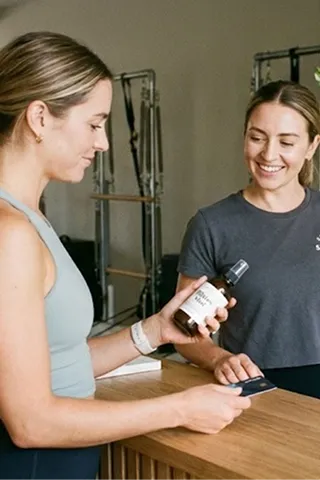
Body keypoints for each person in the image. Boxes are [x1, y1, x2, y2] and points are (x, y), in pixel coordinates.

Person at [0, 31, 251, 480]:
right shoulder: (9, 232)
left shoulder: (28, 218)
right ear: (40, 117)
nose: (103, 143)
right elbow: (30, 421)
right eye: (95, 124)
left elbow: (61, 361)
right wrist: (180, 408)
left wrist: (156, 330)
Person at [175, 79, 320, 400]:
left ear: (311, 146)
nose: (269, 154)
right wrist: (219, 359)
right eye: (257, 138)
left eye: (287, 142)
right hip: (256, 384)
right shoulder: (211, 225)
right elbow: (183, 331)